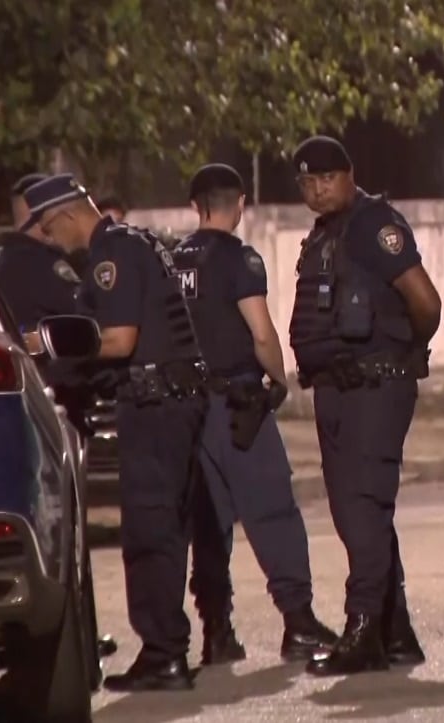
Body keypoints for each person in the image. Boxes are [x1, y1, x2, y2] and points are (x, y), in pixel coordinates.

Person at [21, 174, 208, 690]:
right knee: (166, 529)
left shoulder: (111, 256)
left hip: (154, 405)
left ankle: (163, 655)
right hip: (176, 400)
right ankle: (167, 649)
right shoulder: (138, 240)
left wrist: (48, 342)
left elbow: (121, 341)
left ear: (62, 216)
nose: (55, 242)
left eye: (51, 231)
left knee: (149, 533)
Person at [288, 136, 441, 676]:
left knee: (362, 508)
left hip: (375, 388)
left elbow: (426, 303)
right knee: (361, 512)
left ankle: (362, 632)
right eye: (307, 181)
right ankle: (394, 632)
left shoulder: (376, 226)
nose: (316, 189)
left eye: (326, 178)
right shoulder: (327, 233)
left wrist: (401, 353)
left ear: (349, 174)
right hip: (337, 387)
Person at [173, 163, 338, 664]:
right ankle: (299, 622)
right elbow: (261, 333)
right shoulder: (239, 260)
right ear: (239, 203)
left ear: (196, 205)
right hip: (238, 406)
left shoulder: (173, 259)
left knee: (209, 525)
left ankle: (217, 632)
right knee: (272, 511)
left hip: (189, 411)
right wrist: (280, 379)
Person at [0, 172, 119, 658]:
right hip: (59, 406)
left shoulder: (3, 265)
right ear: (40, 223)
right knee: (69, 536)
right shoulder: (37, 266)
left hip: (36, 407)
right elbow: (84, 324)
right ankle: (80, 643)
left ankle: (82, 640)